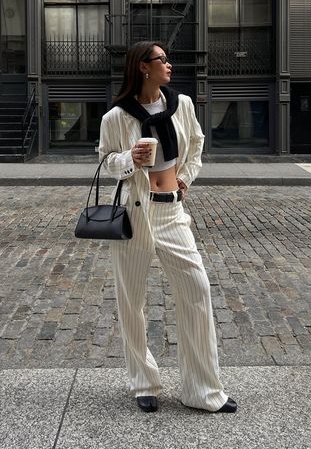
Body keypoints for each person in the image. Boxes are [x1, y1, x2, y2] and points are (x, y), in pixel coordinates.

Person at [99, 41, 237, 414]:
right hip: (134, 214)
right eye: (162, 60)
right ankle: (144, 383)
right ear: (143, 67)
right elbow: (105, 162)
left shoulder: (183, 105)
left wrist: (186, 180)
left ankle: (202, 390)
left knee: (197, 289)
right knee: (132, 302)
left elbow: (196, 143)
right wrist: (129, 158)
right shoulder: (116, 116)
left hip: (172, 213)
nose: (170, 65)